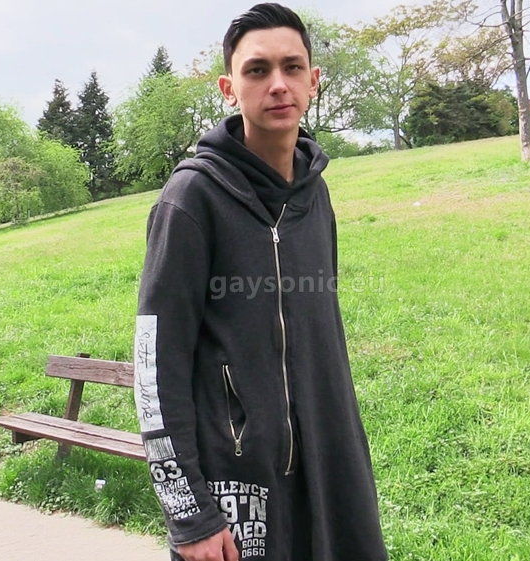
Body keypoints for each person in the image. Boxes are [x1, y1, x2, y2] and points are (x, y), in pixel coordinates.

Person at [133, 4, 388, 560]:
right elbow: (155, 367)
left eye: (292, 67)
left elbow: (323, 335)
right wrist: (189, 516)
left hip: (330, 464)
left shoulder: (315, 194)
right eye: (257, 70)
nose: (278, 84)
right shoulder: (191, 200)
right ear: (229, 88)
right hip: (238, 480)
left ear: (313, 81)